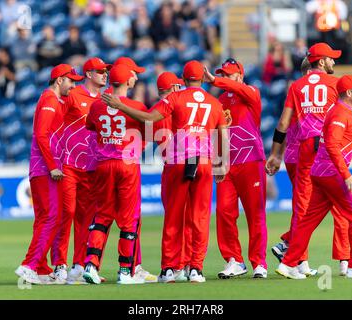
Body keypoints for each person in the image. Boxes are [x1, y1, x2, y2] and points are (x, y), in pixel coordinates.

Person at [101, 60, 229, 283]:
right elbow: (223, 135)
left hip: (179, 162)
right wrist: (223, 163)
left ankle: (169, 268)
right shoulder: (214, 102)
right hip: (206, 162)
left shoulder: (174, 98)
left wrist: (121, 106)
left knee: (173, 216)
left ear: (184, 78)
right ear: (202, 78)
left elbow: (150, 118)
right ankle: (196, 269)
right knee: (200, 217)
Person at [276, 75, 352, 279]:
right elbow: (332, 145)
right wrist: (347, 175)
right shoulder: (341, 113)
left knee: (308, 220)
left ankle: (288, 263)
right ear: (349, 93)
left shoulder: (339, 111)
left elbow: (336, 142)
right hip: (331, 173)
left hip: (319, 172)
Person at [266, 43, 343, 276]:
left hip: (296, 154)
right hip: (321, 151)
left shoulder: (296, 86)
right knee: (333, 202)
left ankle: (300, 259)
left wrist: (275, 154)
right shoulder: (334, 83)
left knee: (304, 204)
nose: (334, 62)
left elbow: (282, 123)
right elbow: (344, 114)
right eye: (331, 58)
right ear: (321, 62)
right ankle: (346, 261)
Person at [82, 64, 152, 285]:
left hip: (104, 164)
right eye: (133, 76)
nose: (135, 79)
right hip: (127, 165)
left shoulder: (96, 106)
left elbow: (90, 126)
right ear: (128, 82)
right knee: (129, 219)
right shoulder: (136, 106)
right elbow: (149, 132)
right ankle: (124, 271)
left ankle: (91, 265)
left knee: (102, 216)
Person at [15, 64, 84, 285]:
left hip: (43, 168)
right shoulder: (50, 101)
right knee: (52, 217)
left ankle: (42, 268)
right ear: (59, 80)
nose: (73, 85)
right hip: (46, 169)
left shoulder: (55, 101)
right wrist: (53, 165)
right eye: (71, 81)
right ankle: (29, 265)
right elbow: (42, 135)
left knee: (45, 218)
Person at [203, 58, 268, 279]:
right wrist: (217, 161)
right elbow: (215, 133)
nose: (224, 77)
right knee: (224, 212)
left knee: (255, 213)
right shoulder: (219, 100)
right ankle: (234, 260)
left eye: (229, 74)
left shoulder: (251, 93)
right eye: (222, 74)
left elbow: (237, 88)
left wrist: (216, 81)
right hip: (227, 165)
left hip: (251, 161)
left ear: (240, 76)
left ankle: (259, 262)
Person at [50, 58, 111, 285]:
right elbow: (55, 122)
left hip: (93, 168)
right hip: (69, 166)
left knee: (88, 219)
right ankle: (59, 265)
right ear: (88, 74)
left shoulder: (108, 99)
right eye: (100, 71)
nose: (105, 74)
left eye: (106, 71)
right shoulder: (73, 94)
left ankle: (79, 266)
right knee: (67, 213)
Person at [149, 71, 192, 282]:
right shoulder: (183, 106)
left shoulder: (154, 112)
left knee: (172, 219)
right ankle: (186, 265)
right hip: (190, 163)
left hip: (170, 167)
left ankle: (170, 266)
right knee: (190, 218)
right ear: (175, 88)